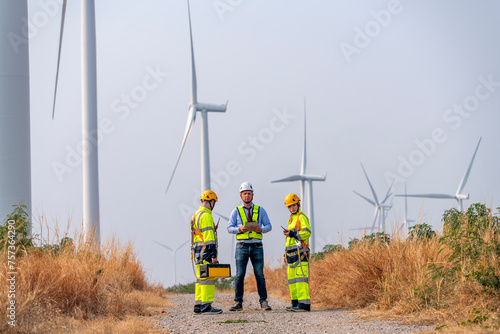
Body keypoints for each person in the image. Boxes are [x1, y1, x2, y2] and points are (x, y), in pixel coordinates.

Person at [227, 182, 272, 311]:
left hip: (257, 246)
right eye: (244, 193)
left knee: (259, 275)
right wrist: (239, 229)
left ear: (253, 195)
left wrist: (261, 229)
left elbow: (269, 226)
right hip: (241, 247)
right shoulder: (235, 211)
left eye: (249, 193)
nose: (247, 196)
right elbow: (229, 228)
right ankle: (238, 302)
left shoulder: (260, 210)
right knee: (240, 275)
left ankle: (263, 301)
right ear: (241, 195)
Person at [191, 190, 223, 315]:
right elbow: (209, 239)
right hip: (206, 252)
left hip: (198, 252)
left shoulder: (196, 215)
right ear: (211, 202)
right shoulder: (206, 216)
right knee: (208, 279)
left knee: (200, 279)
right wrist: (213, 256)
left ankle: (198, 306)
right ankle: (206, 306)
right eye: (214, 202)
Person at [282, 193, 311, 312]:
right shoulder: (291, 219)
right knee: (293, 280)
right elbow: (289, 240)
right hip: (291, 254)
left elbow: (307, 232)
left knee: (301, 278)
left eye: (294, 205)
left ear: (298, 204)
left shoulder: (301, 217)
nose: (292, 208)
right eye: (290, 206)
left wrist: (293, 233)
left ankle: (304, 304)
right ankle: (295, 303)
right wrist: (285, 254)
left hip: (301, 253)